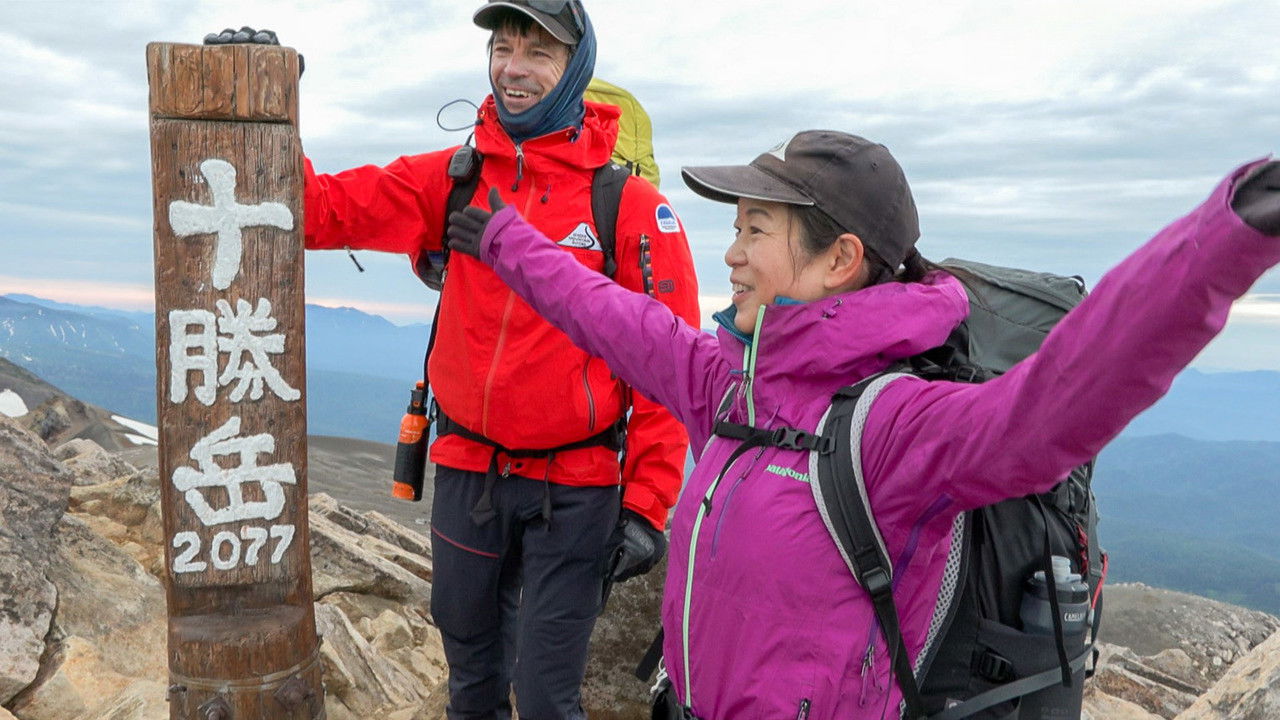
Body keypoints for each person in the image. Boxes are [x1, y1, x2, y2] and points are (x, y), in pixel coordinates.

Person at [445, 130, 1280, 719]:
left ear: (838, 260)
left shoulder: (898, 430)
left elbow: (1059, 401)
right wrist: (503, 241)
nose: (732, 254)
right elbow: (613, 318)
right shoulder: (729, 387)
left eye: (756, 231)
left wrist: (1229, 234)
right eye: (735, 229)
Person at [207, 3, 701, 718]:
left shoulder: (626, 206)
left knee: (544, 697)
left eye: (539, 53)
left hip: (579, 486)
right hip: (469, 472)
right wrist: (263, 99)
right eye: (503, 48)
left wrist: (648, 504)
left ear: (576, 68)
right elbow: (314, 210)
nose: (514, 68)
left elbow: (668, 362)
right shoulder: (454, 177)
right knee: (470, 685)